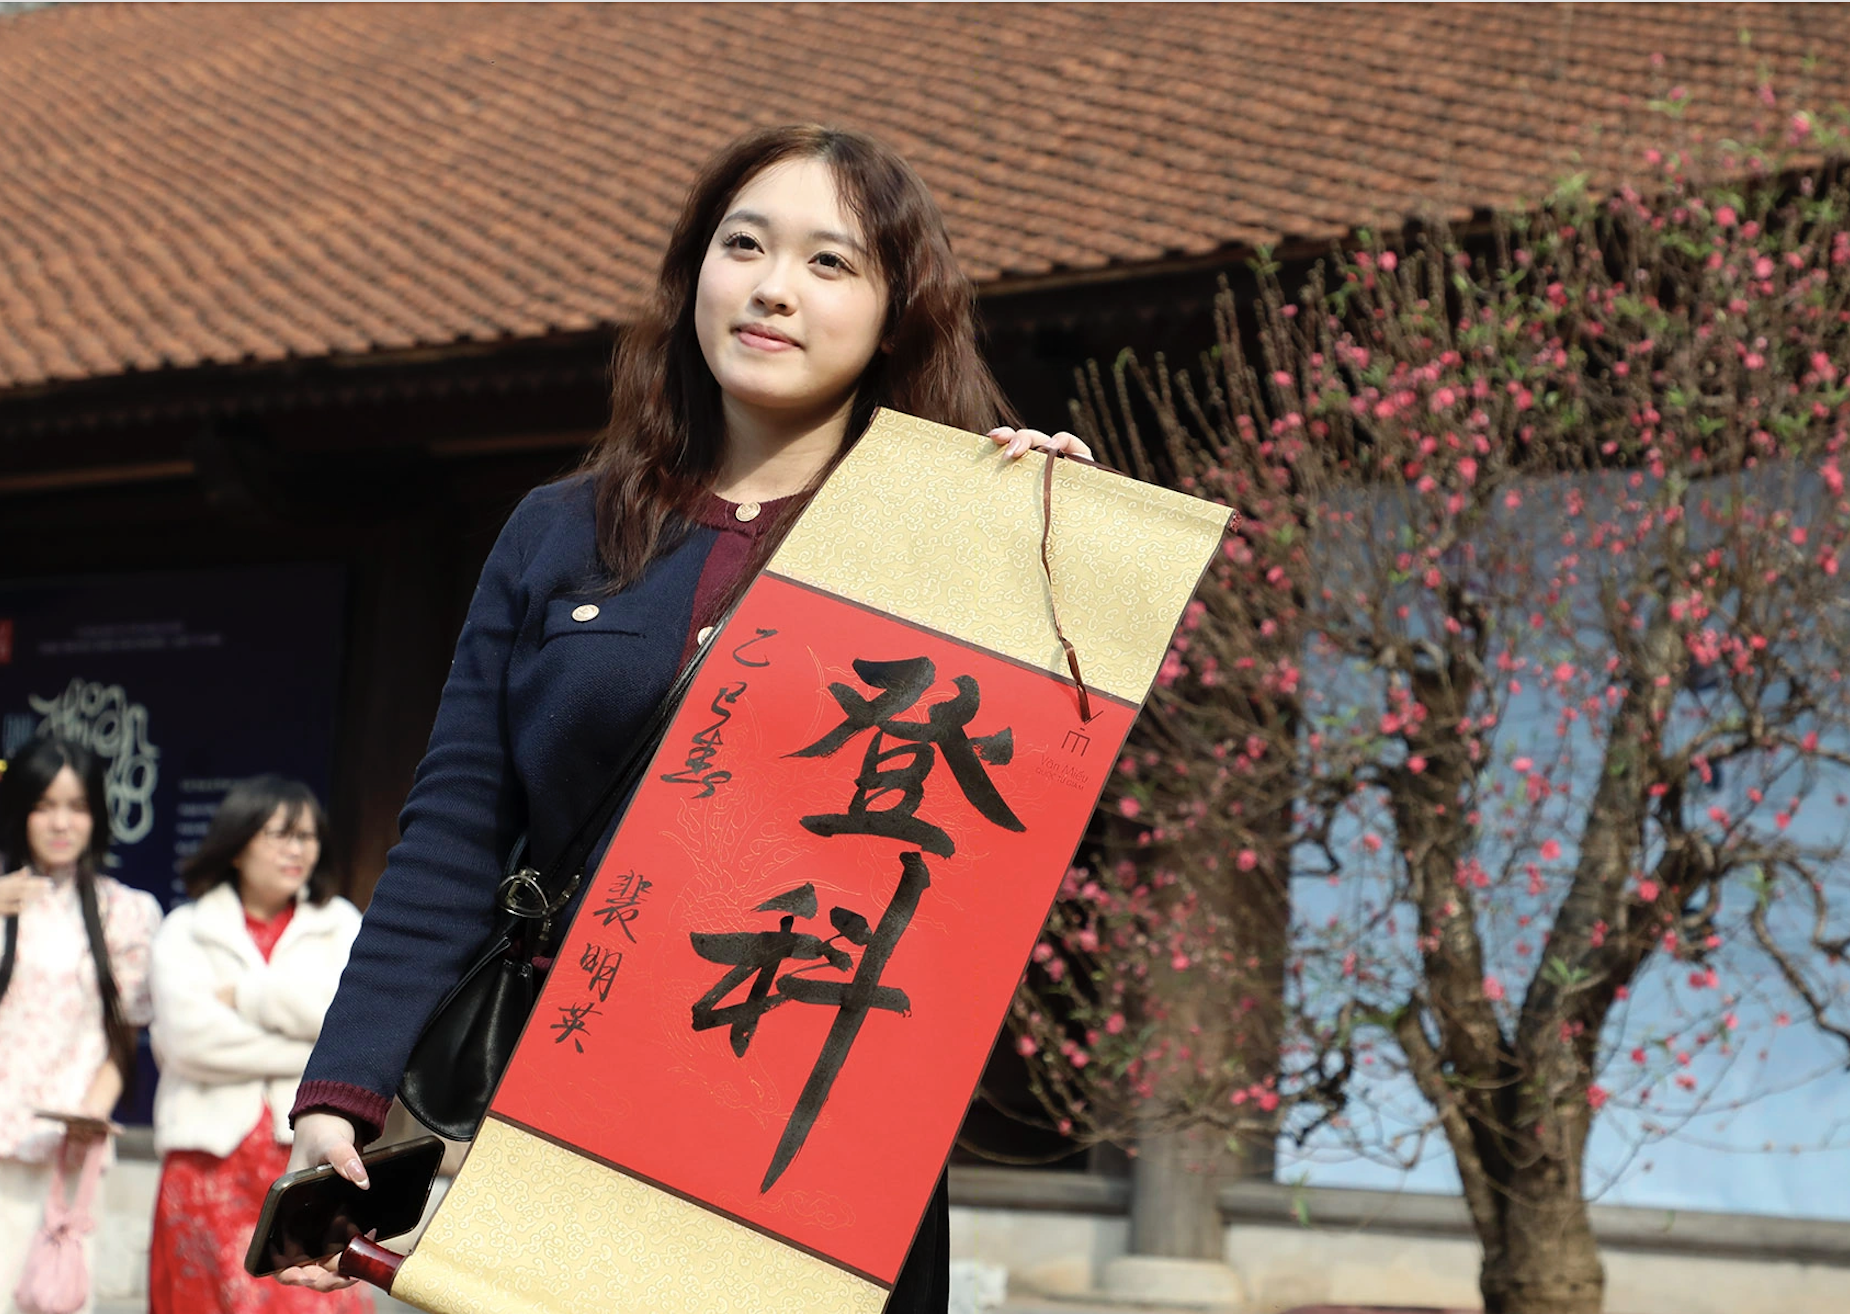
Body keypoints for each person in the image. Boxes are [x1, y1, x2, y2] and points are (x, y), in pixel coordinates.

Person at [278, 123, 1090, 1309]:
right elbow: (455, 832)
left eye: (829, 263)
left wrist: (1057, 563)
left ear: (895, 311)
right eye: (742, 245)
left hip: (810, 1129)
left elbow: (1010, 833)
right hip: (571, 1100)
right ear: (693, 274)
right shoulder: (558, 532)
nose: (770, 288)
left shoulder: (951, 551)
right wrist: (341, 1093)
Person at [145, 775, 367, 1313]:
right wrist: (318, 1053)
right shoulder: (186, 928)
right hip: (205, 1168)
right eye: (279, 834)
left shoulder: (342, 924)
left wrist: (247, 995)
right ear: (238, 842)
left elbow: (354, 1020)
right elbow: (189, 1043)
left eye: (308, 836)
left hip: (307, 1160)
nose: (297, 849)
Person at [0, 736, 161, 1314]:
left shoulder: (127, 911)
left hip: (64, 1150)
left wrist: (94, 1109)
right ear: (19, 809)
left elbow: (126, 1032)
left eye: (77, 805)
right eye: (44, 805)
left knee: (50, 1295)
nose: (61, 822)